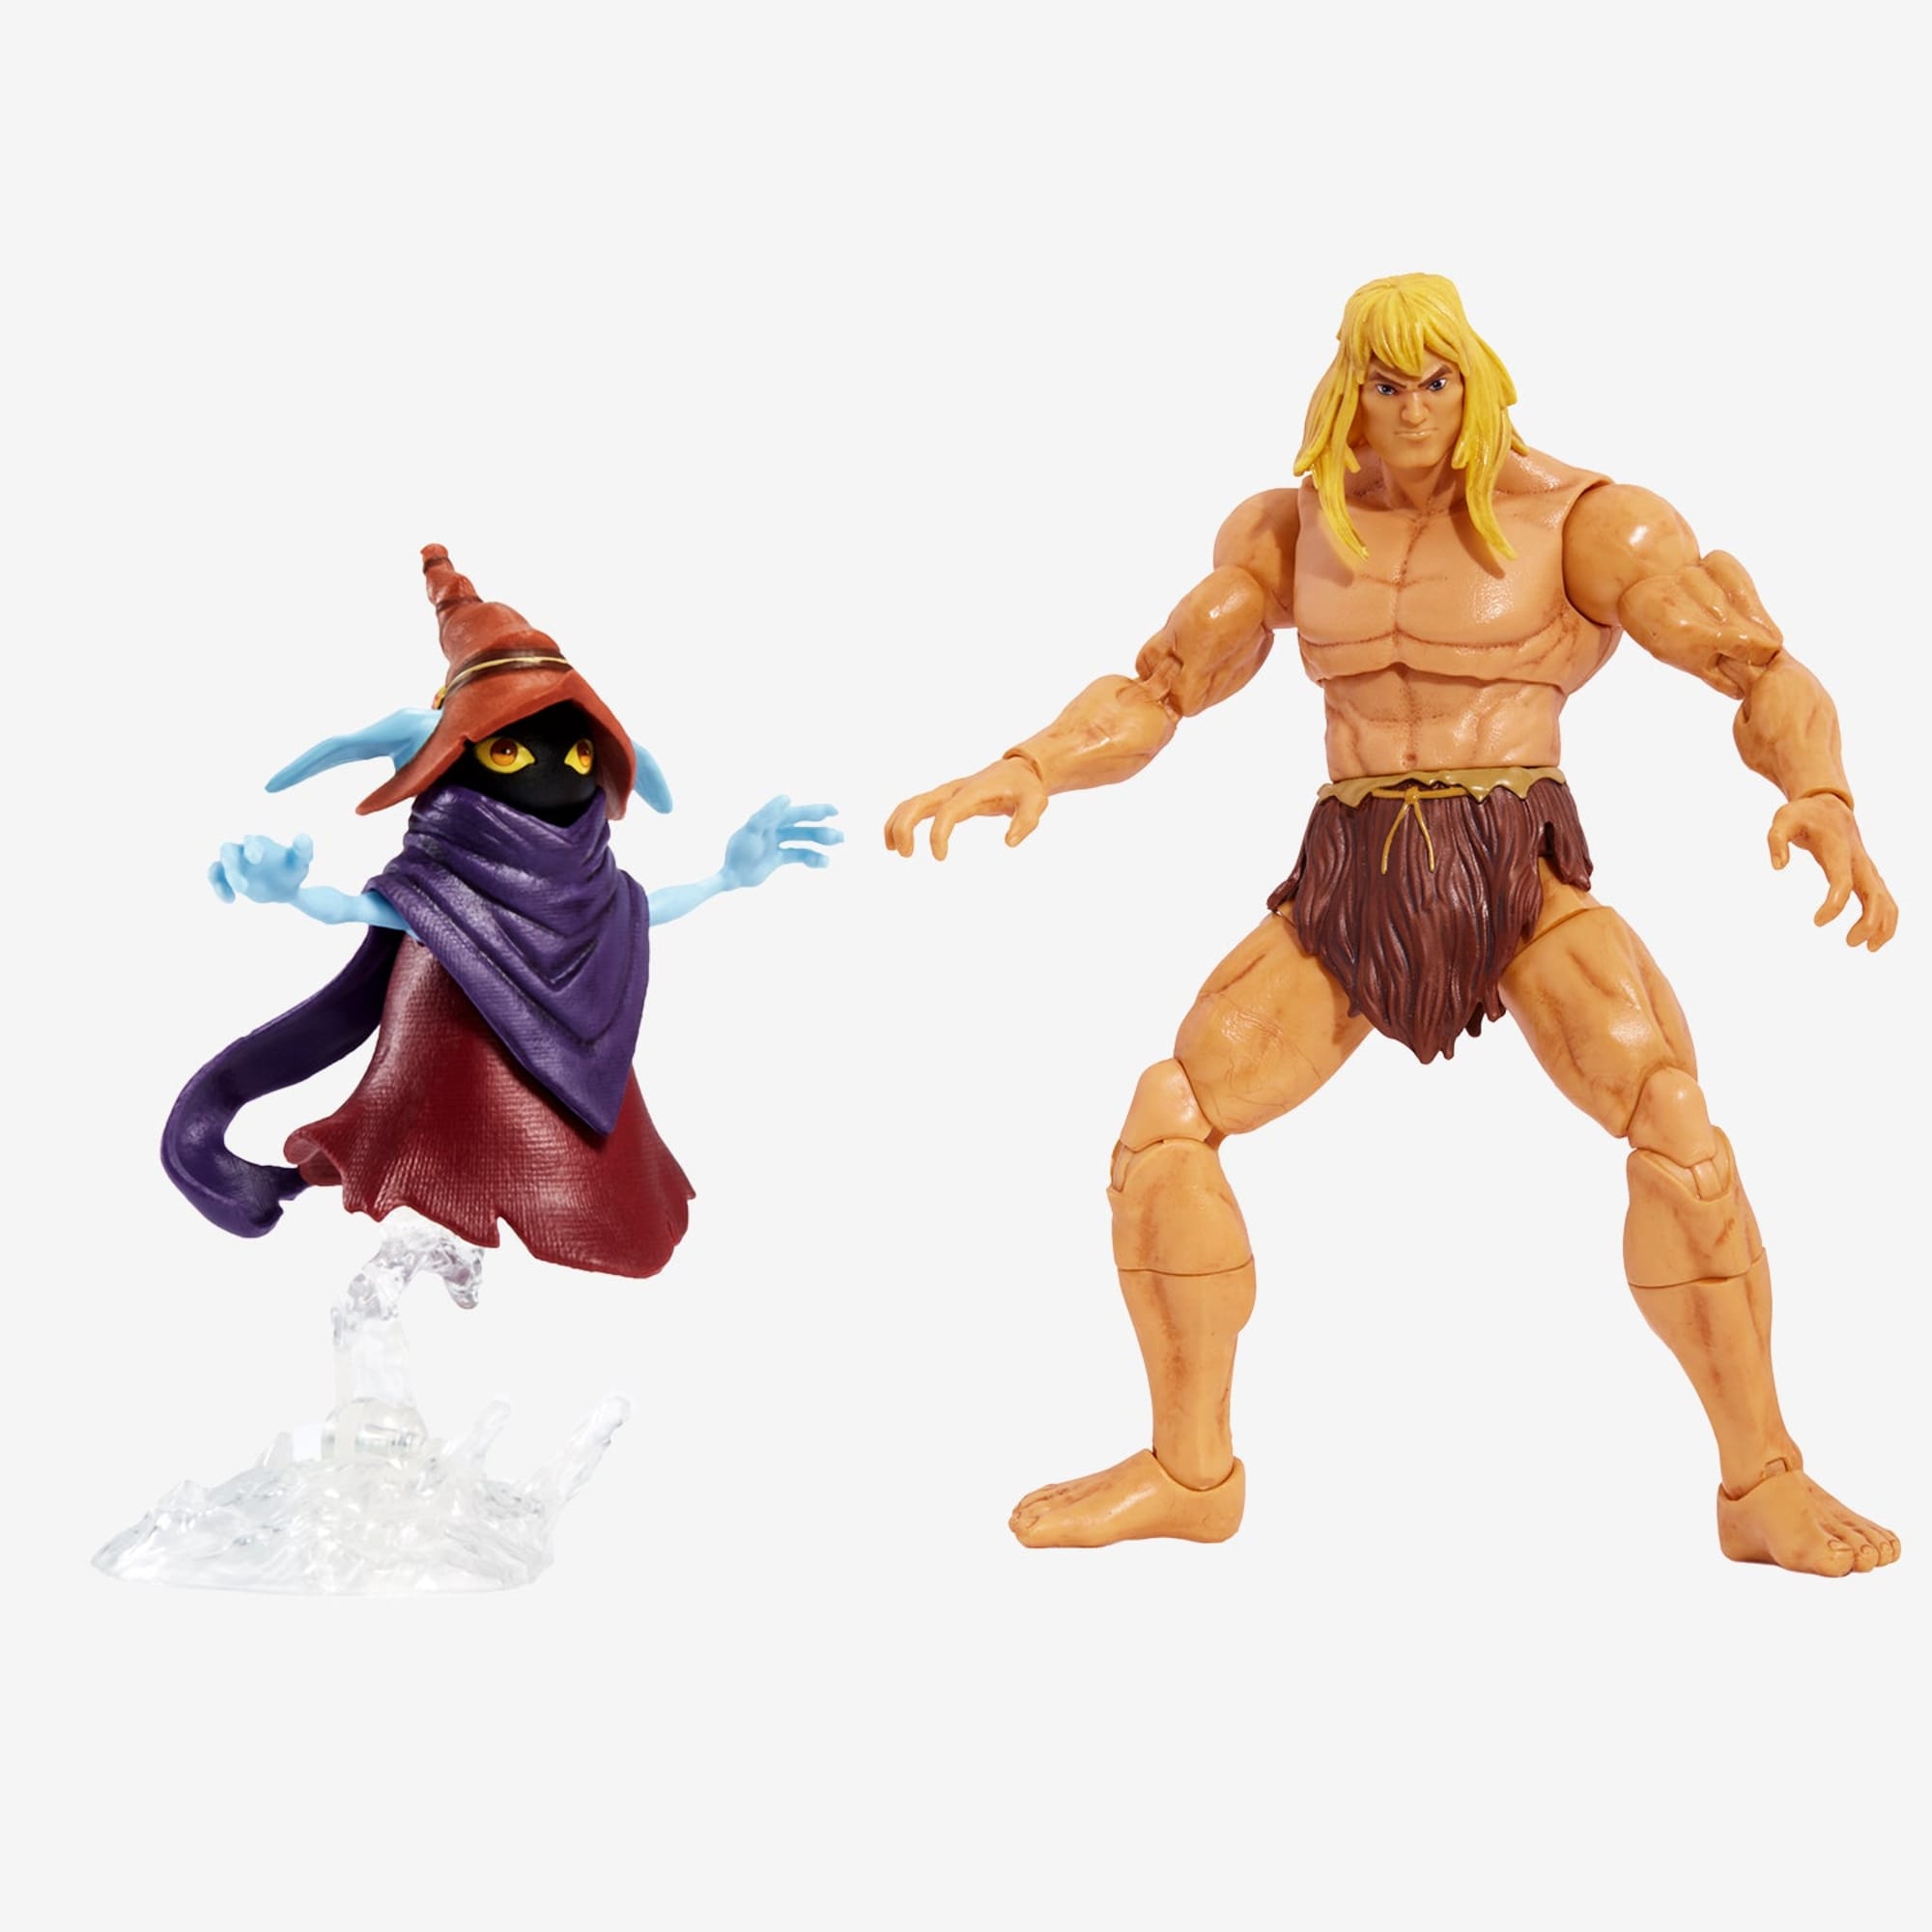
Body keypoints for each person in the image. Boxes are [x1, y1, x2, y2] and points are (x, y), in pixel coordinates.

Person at [886, 273, 1899, 1576]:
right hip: (1354, 878)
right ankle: (1191, 1472)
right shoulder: (1291, 531)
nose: (1413, 409)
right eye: (1385, 382)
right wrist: (1028, 765)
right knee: (1165, 1124)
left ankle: (1762, 1483)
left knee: (1679, 1133)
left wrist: (1820, 793)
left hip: (1517, 872)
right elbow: (1162, 686)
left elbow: (1752, 664)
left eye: (1436, 380)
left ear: (1477, 382)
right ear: (1346, 390)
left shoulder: (1585, 522)